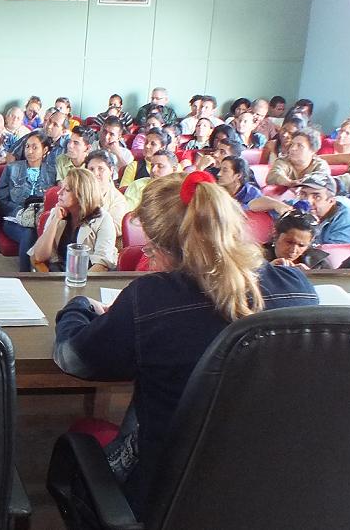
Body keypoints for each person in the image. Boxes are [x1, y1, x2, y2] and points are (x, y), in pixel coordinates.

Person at [52, 171, 318, 516]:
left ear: (167, 249)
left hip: (169, 497)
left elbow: (72, 359)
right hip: (274, 492)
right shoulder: (297, 285)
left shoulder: (148, 300)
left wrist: (79, 307)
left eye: (150, 248)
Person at [29, 168, 116, 271]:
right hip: (59, 273)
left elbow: (101, 264)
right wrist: (55, 221)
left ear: (81, 195)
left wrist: (77, 283)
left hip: (89, 277)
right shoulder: (56, 212)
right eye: (61, 188)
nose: (59, 193)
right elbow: (39, 256)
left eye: (66, 190)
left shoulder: (104, 220)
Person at [0, 131, 55, 272]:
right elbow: (1, 197)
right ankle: (25, 275)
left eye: (35, 147)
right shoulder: (12, 168)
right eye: (27, 147)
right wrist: (19, 213)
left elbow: (54, 199)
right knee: (29, 233)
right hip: (15, 220)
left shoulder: (52, 171)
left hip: (43, 220)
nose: (29, 151)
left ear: (45, 150)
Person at [263, 208, 331, 270]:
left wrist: (310, 275)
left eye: (301, 245)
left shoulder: (318, 263)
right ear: (275, 235)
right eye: (289, 242)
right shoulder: (257, 256)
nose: (293, 250)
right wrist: (267, 270)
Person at [85, 150, 128, 238]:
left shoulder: (118, 200)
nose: (95, 173)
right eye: (91, 169)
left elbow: (114, 229)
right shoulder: (78, 192)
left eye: (101, 168)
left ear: (111, 170)